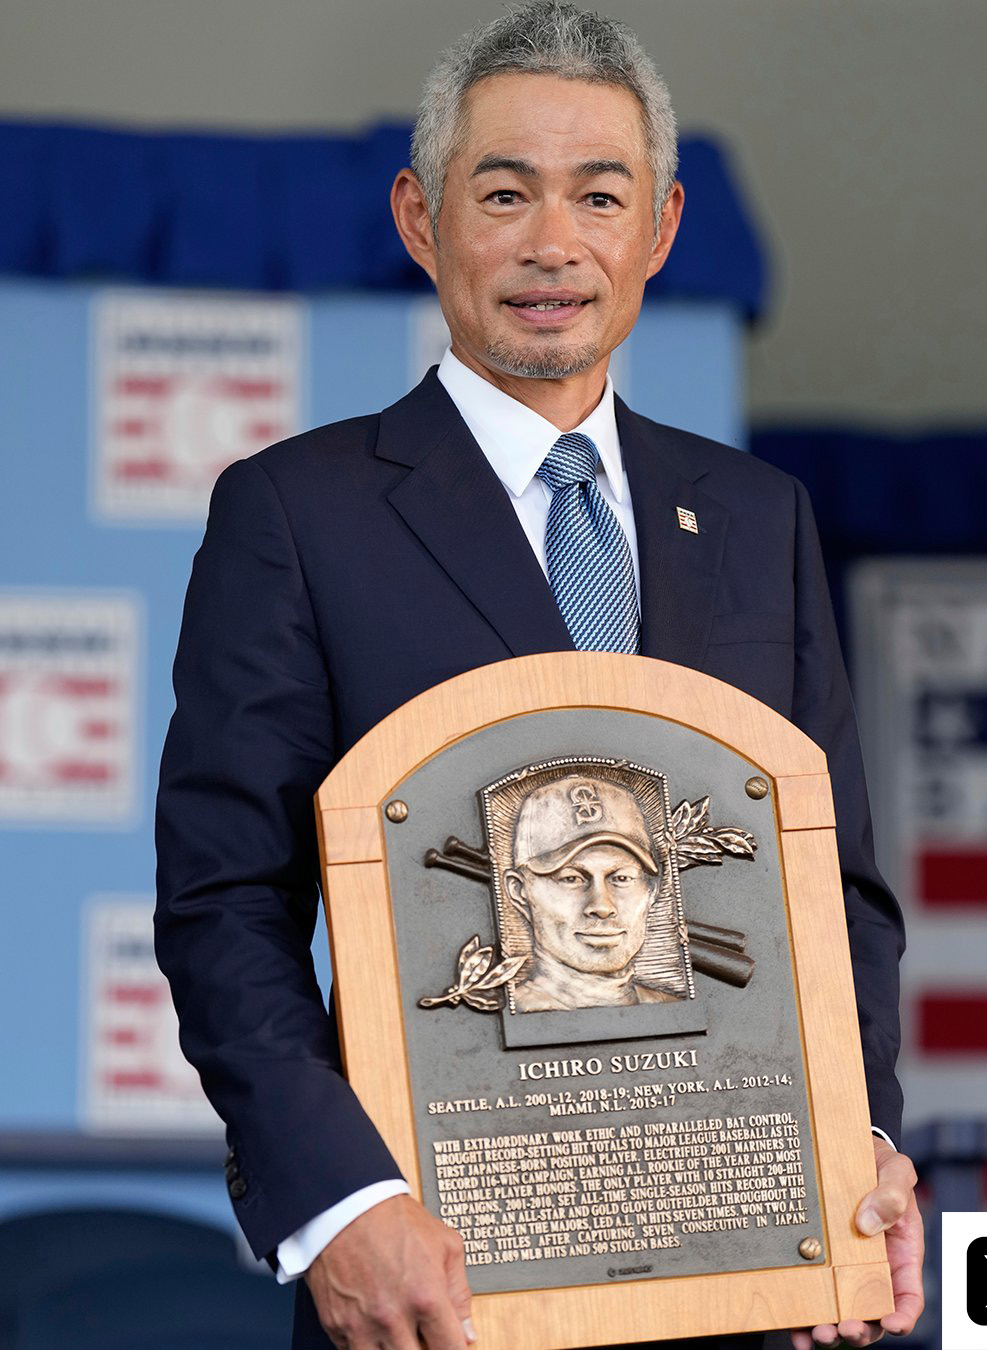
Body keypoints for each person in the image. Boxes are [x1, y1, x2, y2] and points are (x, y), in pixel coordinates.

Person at [154, 4, 924, 1348]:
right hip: (437, 1287)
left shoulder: (756, 514)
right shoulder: (295, 513)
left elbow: (833, 886)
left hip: (739, 1281)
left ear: (662, 230)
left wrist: (848, 1145)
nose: (551, 243)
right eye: (502, 192)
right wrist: (341, 1205)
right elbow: (226, 900)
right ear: (420, 215)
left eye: (598, 195)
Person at [502, 775, 680, 1011]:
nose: (602, 906)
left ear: (652, 890)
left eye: (621, 878)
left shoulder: (671, 1008)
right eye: (571, 879)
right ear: (520, 892)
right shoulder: (508, 1013)